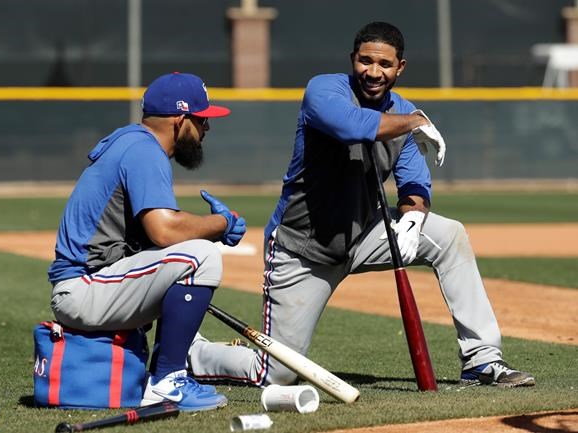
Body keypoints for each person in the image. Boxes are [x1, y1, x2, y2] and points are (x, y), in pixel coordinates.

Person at [188, 22, 534, 389]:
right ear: (352, 60)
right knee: (277, 373)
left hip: (367, 233)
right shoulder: (324, 90)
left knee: (450, 235)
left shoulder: (403, 112)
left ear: (400, 67)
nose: (373, 72)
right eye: (364, 61)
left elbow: (413, 181)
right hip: (304, 249)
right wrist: (414, 122)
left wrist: (414, 217)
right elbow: (350, 125)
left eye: (384, 64)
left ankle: (482, 361)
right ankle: (194, 353)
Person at [47, 72, 247, 412]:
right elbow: (164, 231)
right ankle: (167, 382)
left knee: (187, 253)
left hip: (91, 285)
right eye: (201, 120)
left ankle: (181, 358)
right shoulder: (144, 150)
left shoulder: (131, 142)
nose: (206, 129)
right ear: (180, 120)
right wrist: (220, 223)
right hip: (83, 290)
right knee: (202, 256)